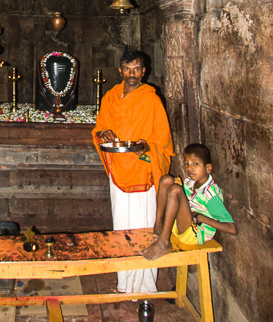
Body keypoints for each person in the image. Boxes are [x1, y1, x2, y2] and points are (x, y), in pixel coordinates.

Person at [92, 50, 174, 295]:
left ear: (144, 71)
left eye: (136, 69)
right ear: (120, 71)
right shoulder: (109, 98)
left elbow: (163, 141)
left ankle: (145, 286)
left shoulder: (151, 100)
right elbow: (99, 127)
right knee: (121, 225)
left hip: (143, 170)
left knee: (143, 224)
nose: (131, 74)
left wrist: (146, 149)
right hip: (118, 170)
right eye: (127, 69)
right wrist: (103, 134)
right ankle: (124, 282)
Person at [142, 143, 237, 261]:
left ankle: (164, 243)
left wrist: (201, 217)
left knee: (175, 190)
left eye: (195, 164)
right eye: (187, 164)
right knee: (166, 180)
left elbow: (232, 229)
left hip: (195, 234)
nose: (189, 168)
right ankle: (158, 225)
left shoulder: (210, 195)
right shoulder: (190, 181)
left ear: (208, 168)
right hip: (181, 225)